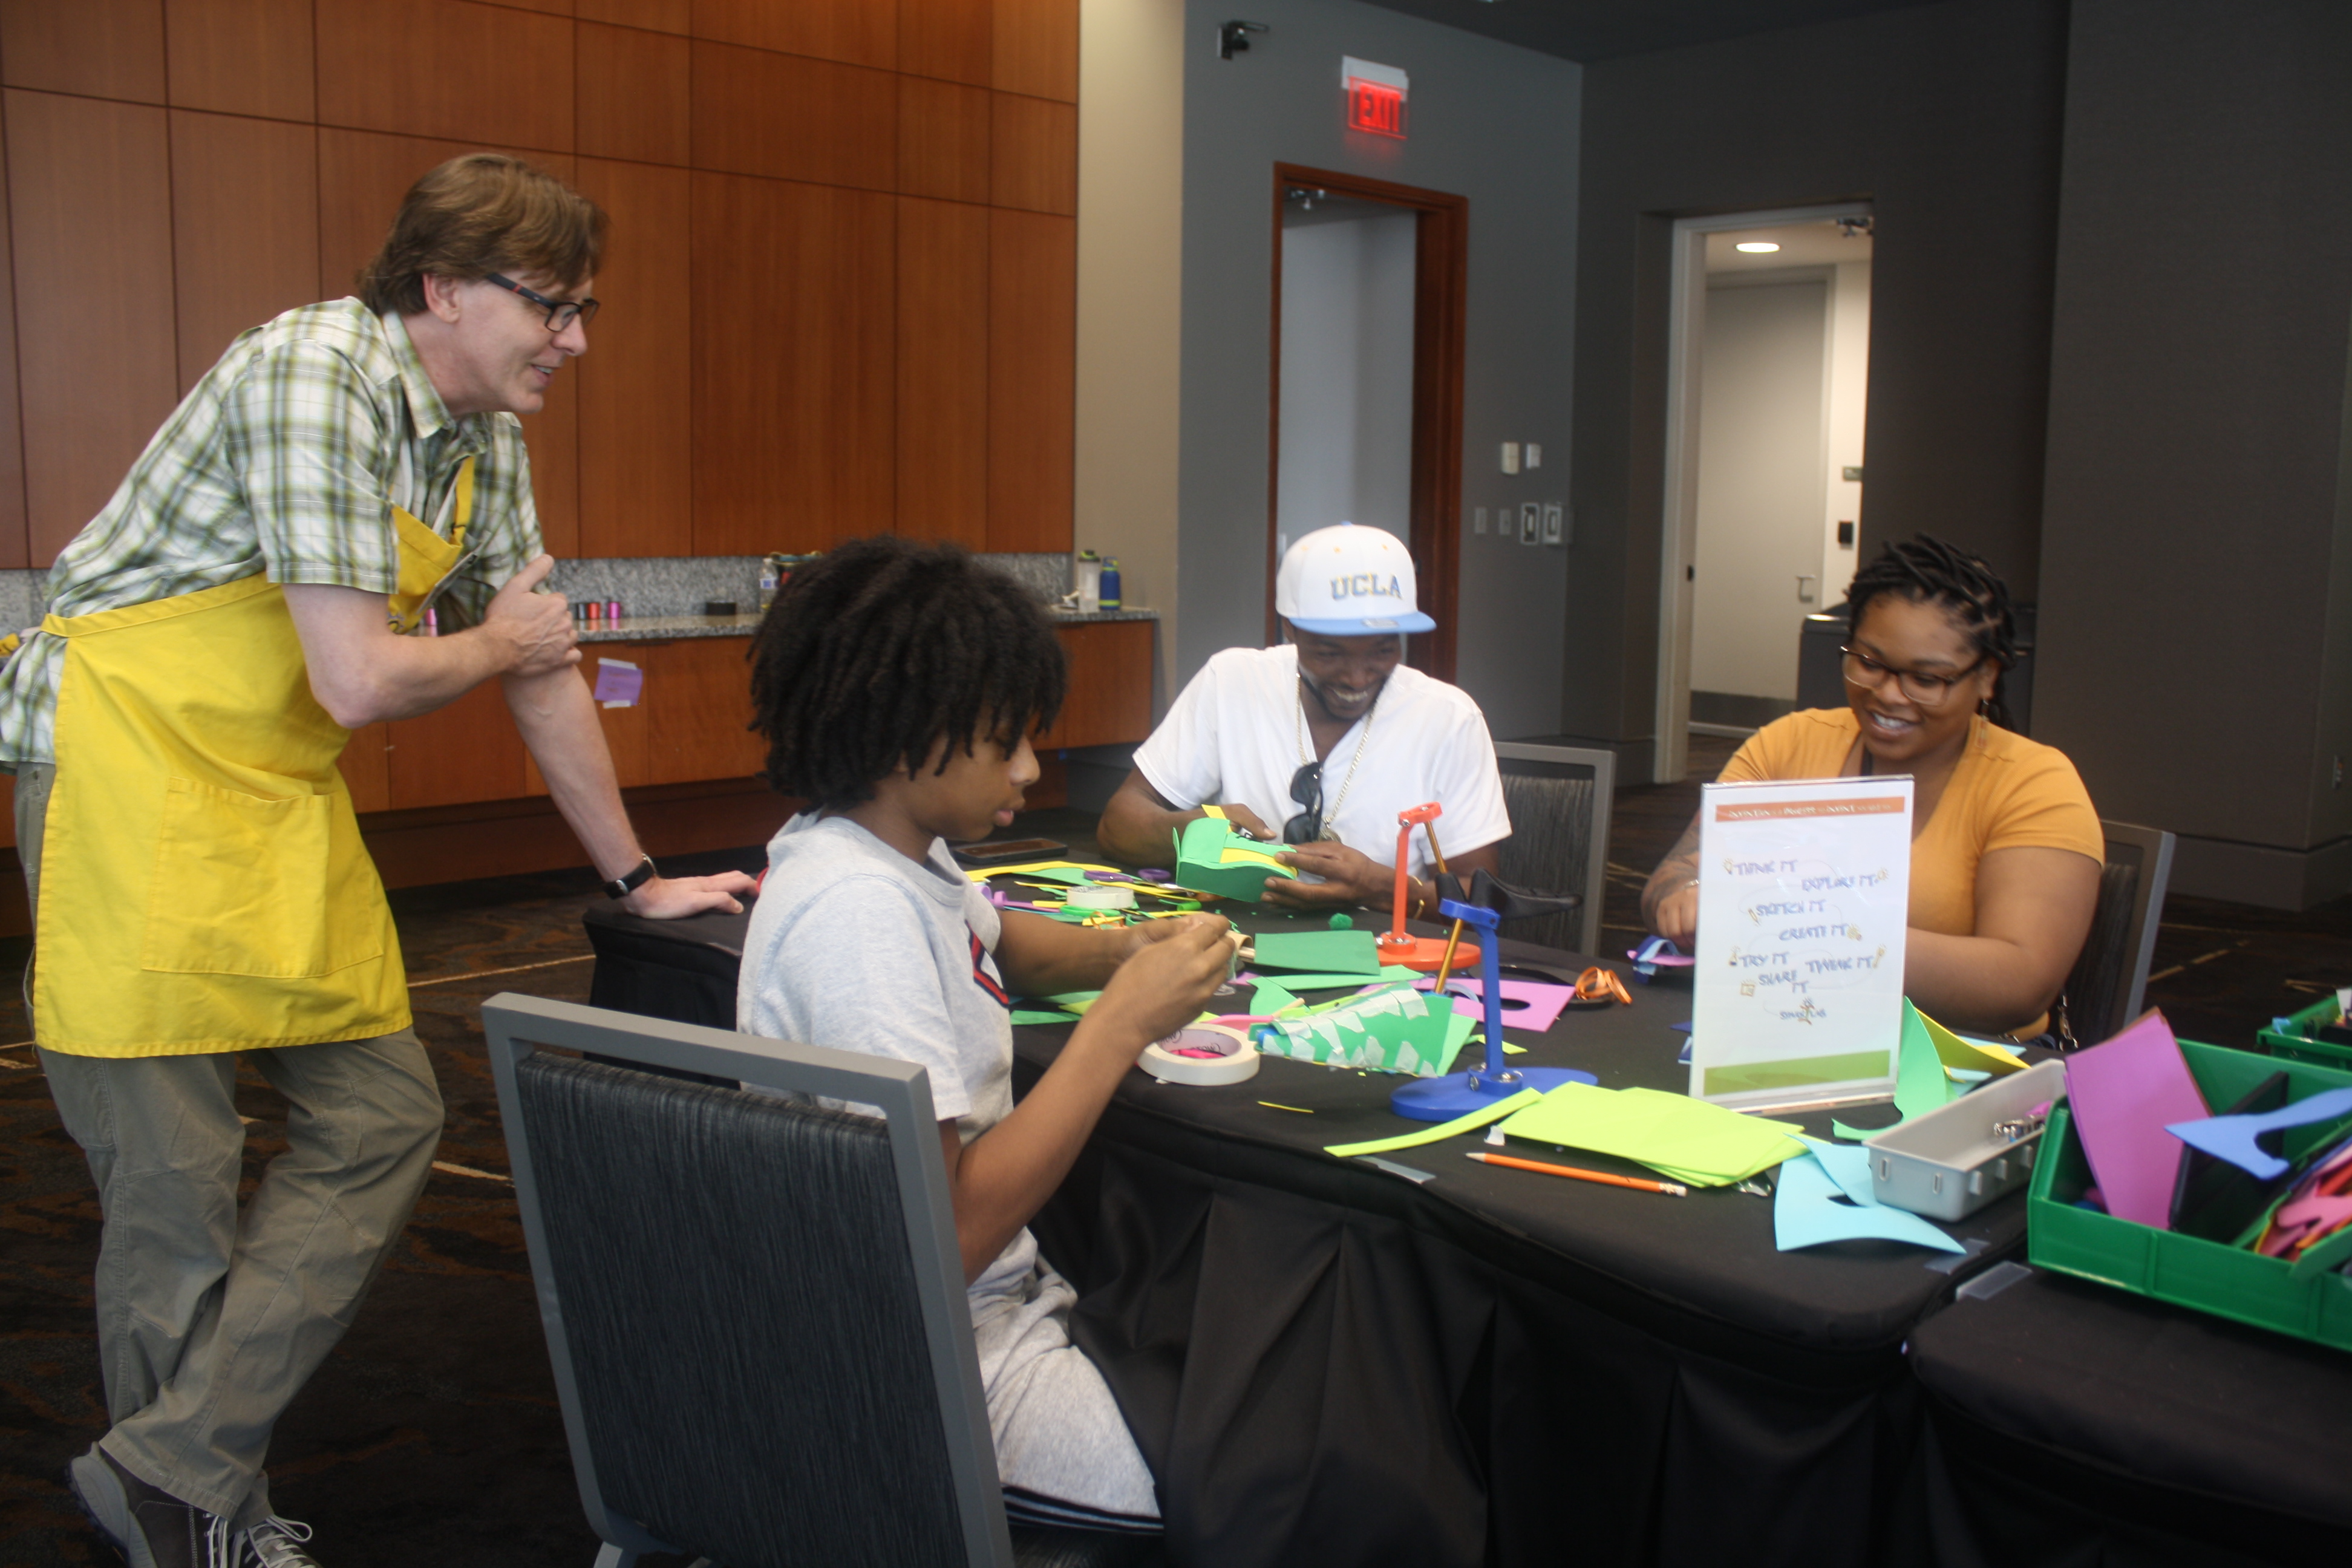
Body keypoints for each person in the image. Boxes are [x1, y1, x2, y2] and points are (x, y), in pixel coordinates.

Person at [1, 154, 756, 1568]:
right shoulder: (313, 370)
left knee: (386, 1117)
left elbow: (544, 672)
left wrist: (638, 873)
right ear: (445, 287)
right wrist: (500, 643)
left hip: (267, 788)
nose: (578, 339)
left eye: (587, 309)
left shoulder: (481, 439)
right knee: (177, 1177)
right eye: (558, 307)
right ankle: (195, 1524)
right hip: (124, 771)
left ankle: (170, 1466)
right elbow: (357, 679)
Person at [739, 536, 1232, 1535]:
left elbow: (1005, 939)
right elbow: (948, 1235)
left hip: (951, 1309)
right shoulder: (856, 919)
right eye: (1004, 742)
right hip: (929, 1355)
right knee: (1251, 1473)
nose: (1031, 766)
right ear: (905, 735)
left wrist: (1128, 945)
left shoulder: (874, 848)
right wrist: (1124, 1017)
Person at [1643, 535, 2102, 1038]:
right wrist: (1684, 894)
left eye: (1926, 680)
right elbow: (1678, 871)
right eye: (1869, 662)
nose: (1887, 695)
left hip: (1959, 1064)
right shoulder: (1789, 744)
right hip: (1784, 1033)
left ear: (1987, 676)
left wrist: (1819, 938)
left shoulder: (2034, 783)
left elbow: (2019, 985)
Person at [1097, 522, 1511, 920]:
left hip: (1385, 959)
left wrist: (1379, 887)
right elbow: (1118, 827)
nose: (1357, 677)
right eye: (1329, 654)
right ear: (1289, 629)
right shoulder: (1232, 680)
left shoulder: (1450, 718)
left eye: (1382, 651)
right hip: (1240, 941)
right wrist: (1195, 831)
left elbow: (1481, 900)